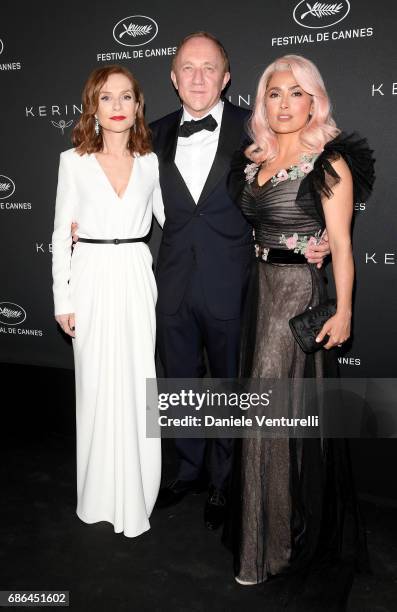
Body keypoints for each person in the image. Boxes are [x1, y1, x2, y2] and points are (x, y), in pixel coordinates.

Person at [151, 33, 330, 529]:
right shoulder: (154, 133)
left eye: (210, 68)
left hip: (235, 284)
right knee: (179, 382)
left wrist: (322, 237)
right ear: (174, 77)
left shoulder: (255, 129)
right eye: (188, 67)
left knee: (231, 387)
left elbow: (300, 178)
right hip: (171, 284)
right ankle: (186, 469)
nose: (199, 77)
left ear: (226, 78)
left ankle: (224, 482)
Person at [226, 54, 375, 606]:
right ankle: (260, 534)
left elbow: (341, 244)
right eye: (273, 93)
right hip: (257, 294)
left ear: (314, 100)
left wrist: (345, 312)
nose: (284, 104)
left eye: (295, 93)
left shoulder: (329, 161)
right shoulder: (254, 158)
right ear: (261, 102)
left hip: (296, 297)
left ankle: (272, 549)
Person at [52, 65, 164, 538]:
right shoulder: (72, 161)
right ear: (93, 108)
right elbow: (61, 233)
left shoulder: (153, 163)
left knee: (139, 382)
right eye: (106, 98)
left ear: (138, 106)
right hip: (91, 276)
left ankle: (139, 493)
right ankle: (97, 496)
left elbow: (176, 220)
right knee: (96, 388)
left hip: (137, 274)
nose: (117, 107)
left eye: (126, 97)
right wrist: (64, 297)